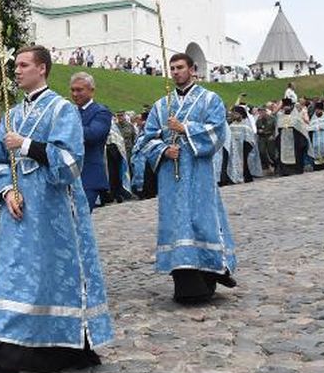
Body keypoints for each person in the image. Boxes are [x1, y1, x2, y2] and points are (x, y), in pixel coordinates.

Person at [0, 46, 113, 373]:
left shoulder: (62, 110)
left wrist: (29, 146)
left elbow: (71, 161)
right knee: (14, 277)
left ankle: (58, 347)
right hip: (17, 213)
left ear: (41, 69)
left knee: (49, 278)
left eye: (23, 65)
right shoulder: (12, 113)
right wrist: (6, 190)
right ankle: (5, 351)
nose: (16, 71)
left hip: (54, 213)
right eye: (14, 65)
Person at [133, 52, 237, 304]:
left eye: (180, 67)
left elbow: (217, 131)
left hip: (199, 173)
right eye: (172, 68)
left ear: (193, 69)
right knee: (176, 223)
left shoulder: (210, 99)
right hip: (171, 176)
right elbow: (146, 139)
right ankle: (186, 282)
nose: (176, 72)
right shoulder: (161, 105)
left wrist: (186, 129)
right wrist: (163, 150)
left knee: (202, 220)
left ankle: (210, 272)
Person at [70, 71, 113, 210]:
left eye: (79, 90)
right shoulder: (68, 111)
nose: (75, 94)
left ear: (91, 90)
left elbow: (93, 134)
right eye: (72, 90)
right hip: (67, 175)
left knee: (80, 220)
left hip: (89, 175)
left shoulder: (101, 112)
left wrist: (64, 128)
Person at [216, 105, 260, 184]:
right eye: (233, 113)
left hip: (244, 147)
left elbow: (250, 138)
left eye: (236, 113)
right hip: (234, 147)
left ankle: (247, 177)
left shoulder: (246, 124)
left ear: (241, 114)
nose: (234, 115)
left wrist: (245, 146)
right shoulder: (232, 125)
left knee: (244, 163)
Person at [273, 100, 309, 176]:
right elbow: (278, 129)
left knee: (296, 155)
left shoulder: (296, 117)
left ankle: (296, 170)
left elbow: (301, 130)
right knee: (283, 156)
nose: (286, 108)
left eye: (288, 106)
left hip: (295, 140)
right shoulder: (280, 117)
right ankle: (285, 171)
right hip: (283, 141)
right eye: (285, 106)